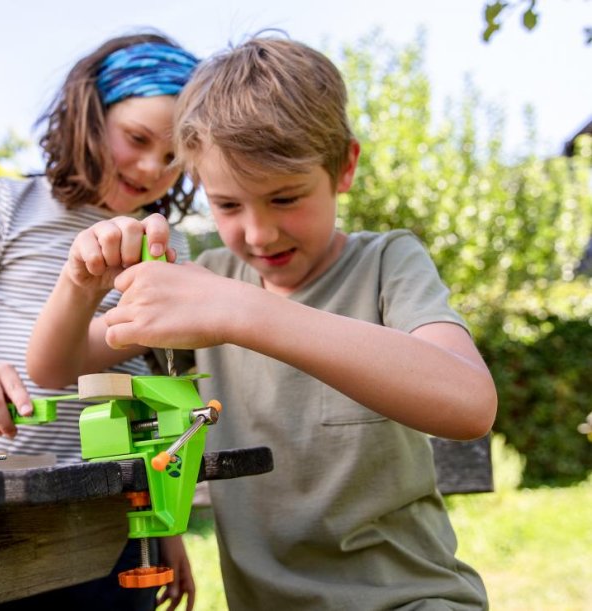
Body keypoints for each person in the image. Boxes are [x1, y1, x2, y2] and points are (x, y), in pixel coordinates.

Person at [26, 35, 498, 610]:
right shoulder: (211, 280)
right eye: (227, 205)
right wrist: (79, 282)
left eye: (285, 198)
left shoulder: (385, 264)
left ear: (343, 167)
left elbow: (470, 404)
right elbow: (53, 368)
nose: (258, 233)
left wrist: (245, 311)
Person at [0, 32, 200, 611]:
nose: (150, 168)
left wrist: (167, 523)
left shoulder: (165, 246)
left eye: (174, 159)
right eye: (136, 138)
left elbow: (135, 397)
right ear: (91, 113)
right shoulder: (6, 207)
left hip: (113, 513)